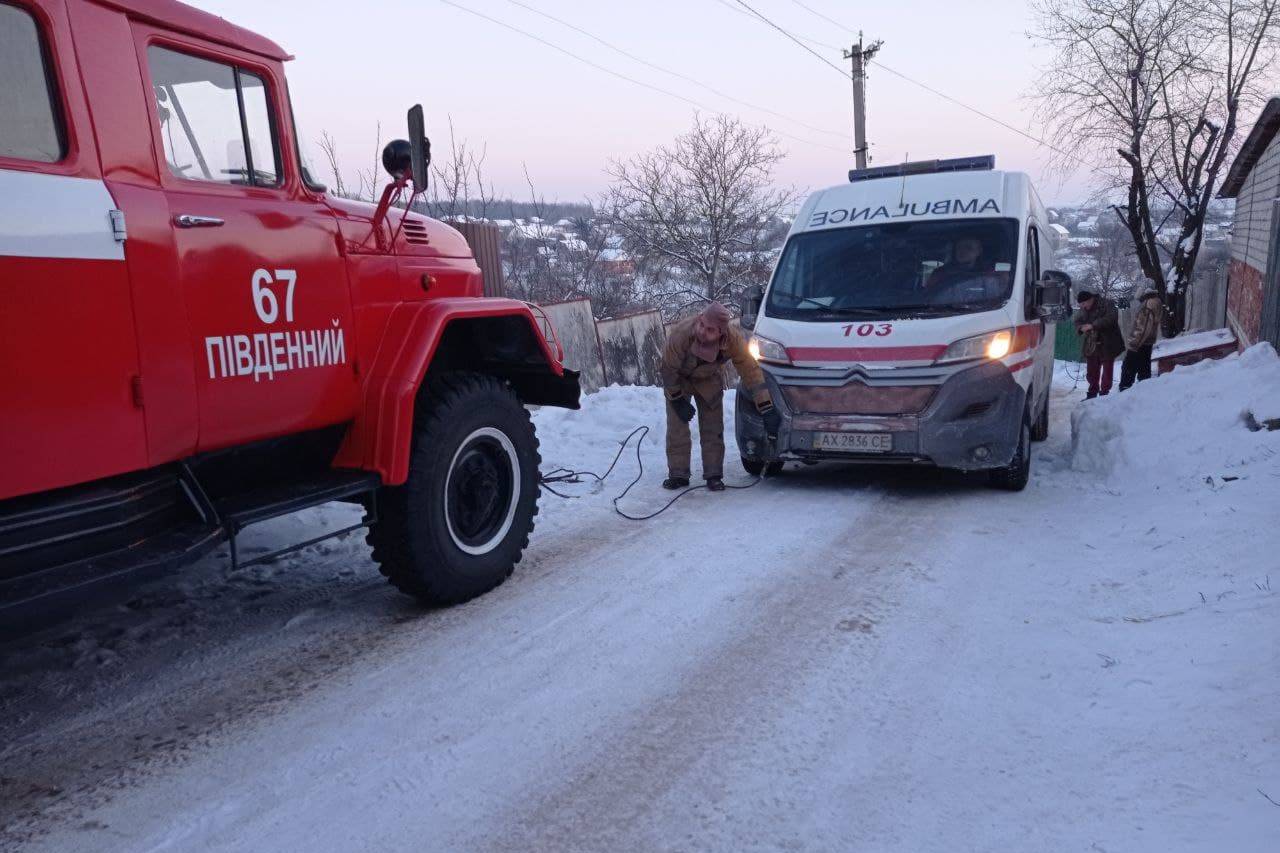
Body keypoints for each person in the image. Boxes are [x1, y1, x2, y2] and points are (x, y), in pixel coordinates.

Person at [659, 302, 778, 492]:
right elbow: (668, 369)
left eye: (710, 330)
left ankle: (713, 475)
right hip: (679, 379)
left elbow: (751, 371)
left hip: (709, 379)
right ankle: (678, 474)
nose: (703, 332)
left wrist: (766, 407)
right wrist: (677, 399)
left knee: (713, 428)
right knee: (677, 427)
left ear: (722, 332)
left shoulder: (733, 340)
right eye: (702, 325)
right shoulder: (682, 334)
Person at [1073, 290, 1125, 398]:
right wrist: (1080, 328)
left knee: (1107, 369)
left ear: (1090, 299)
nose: (1082, 307)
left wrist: (1093, 325)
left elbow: (1111, 319)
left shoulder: (1107, 304)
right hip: (1092, 343)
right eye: (1081, 305)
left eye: (1083, 304)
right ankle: (1092, 393)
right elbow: (1077, 321)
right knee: (1091, 369)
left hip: (1108, 342)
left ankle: (1104, 394)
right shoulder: (1083, 309)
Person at [1120, 288, 1162, 391]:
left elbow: (1143, 327)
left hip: (1140, 342)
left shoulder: (1148, 304)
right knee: (1144, 367)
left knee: (1128, 366)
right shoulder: (1156, 301)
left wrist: (1134, 343)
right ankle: (1143, 390)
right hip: (1147, 341)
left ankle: (1125, 390)